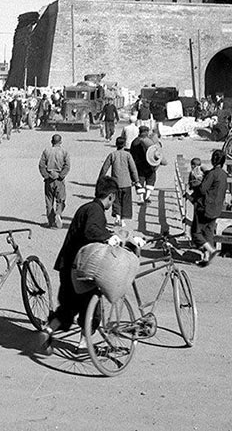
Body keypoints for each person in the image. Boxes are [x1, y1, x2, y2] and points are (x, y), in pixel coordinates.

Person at [37, 176, 121, 352]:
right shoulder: (96, 211)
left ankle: (48, 330)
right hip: (80, 270)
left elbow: (90, 229)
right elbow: (91, 230)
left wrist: (107, 233)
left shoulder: (87, 208)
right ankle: (84, 344)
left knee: (68, 308)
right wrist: (108, 237)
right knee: (93, 311)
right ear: (111, 197)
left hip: (67, 266)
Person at [191, 149, 227, 267]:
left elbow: (202, 189)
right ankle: (206, 258)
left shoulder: (212, 174)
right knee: (208, 232)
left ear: (213, 160)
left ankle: (211, 251)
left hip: (206, 207)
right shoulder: (223, 174)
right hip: (217, 208)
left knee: (196, 232)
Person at [98, 136, 139, 227]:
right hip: (126, 183)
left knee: (116, 201)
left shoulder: (112, 155)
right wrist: (136, 180)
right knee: (126, 201)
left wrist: (101, 178)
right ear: (124, 145)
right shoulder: (128, 155)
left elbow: (105, 168)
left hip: (115, 183)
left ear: (116, 144)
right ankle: (123, 220)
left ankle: (117, 217)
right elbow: (133, 169)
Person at [38, 134, 70, 229]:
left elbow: (41, 165)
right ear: (60, 142)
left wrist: (46, 176)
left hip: (49, 180)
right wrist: (61, 175)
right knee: (61, 199)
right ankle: (58, 213)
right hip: (59, 180)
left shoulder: (46, 151)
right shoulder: (64, 152)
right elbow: (67, 166)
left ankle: (51, 222)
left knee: (49, 200)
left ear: (52, 141)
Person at [130, 126, 158, 204]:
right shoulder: (151, 141)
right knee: (151, 179)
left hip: (139, 165)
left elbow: (132, 154)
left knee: (139, 181)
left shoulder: (135, 142)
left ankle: (141, 198)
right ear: (147, 132)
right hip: (150, 165)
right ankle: (147, 196)